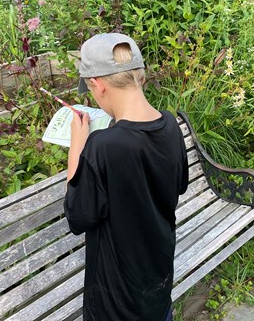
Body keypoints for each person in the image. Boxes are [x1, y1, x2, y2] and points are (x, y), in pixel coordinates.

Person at [64, 33, 189, 321]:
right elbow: (178, 184)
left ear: (98, 85)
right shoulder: (170, 125)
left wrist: (77, 148)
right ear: (139, 77)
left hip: (114, 303)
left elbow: (77, 216)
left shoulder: (103, 146)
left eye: (91, 90)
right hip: (157, 289)